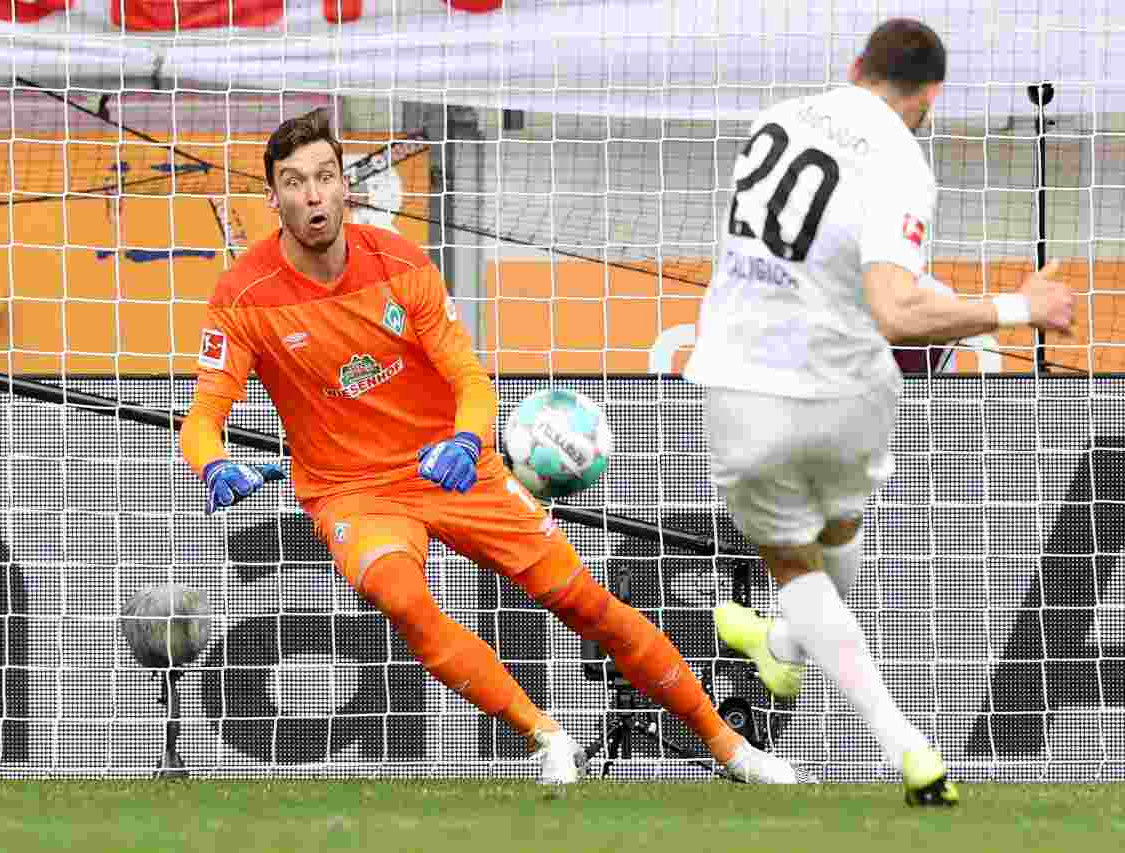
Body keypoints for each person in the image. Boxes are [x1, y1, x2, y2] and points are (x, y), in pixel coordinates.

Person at [179, 108, 797, 785]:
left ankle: (731, 747)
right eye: (295, 182)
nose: (313, 194)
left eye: (325, 176)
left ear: (344, 187)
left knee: (585, 604)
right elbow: (203, 415)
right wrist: (214, 463)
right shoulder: (244, 295)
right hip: (353, 490)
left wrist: (467, 439)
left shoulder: (401, 263)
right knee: (402, 598)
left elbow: (470, 377)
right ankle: (547, 735)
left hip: (454, 466)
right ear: (274, 199)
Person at [682, 19, 1074, 805]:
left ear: (855, 65)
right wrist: (1015, 306)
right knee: (836, 535)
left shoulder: (774, 121)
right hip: (843, 390)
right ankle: (908, 743)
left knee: (798, 568)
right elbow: (895, 312)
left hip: (739, 383)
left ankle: (786, 643)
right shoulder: (902, 158)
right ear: (930, 95)